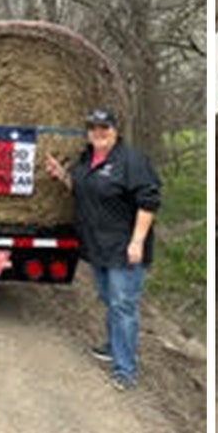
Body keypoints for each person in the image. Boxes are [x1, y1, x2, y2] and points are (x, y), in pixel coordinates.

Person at [45, 108, 161, 391]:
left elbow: (148, 201)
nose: (98, 132)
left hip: (123, 248)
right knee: (109, 299)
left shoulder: (131, 161)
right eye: (93, 128)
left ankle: (125, 369)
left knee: (123, 306)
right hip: (98, 247)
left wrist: (137, 242)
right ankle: (112, 347)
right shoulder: (87, 159)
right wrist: (62, 175)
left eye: (104, 127)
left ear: (115, 130)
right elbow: (83, 189)